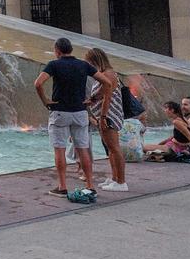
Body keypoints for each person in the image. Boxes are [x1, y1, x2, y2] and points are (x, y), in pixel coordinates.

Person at [34, 37, 114, 197]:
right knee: (83, 149)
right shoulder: (84, 65)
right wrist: (94, 98)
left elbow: (38, 83)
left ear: (57, 50)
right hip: (80, 112)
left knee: (60, 149)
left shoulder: (54, 64)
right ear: (71, 49)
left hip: (60, 112)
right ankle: (90, 185)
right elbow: (107, 83)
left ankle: (62, 186)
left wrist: (45, 101)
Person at [85, 48, 128, 192]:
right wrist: (92, 100)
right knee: (110, 148)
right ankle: (115, 178)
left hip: (109, 115)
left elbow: (107, 96)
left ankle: (121, 181)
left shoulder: (109, 74)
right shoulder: (105, 74)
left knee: (114, 148)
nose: (88, 64)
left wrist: (103, 116)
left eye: (89, 61)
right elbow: (101, 94)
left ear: (95, 60)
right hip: (104, 115)